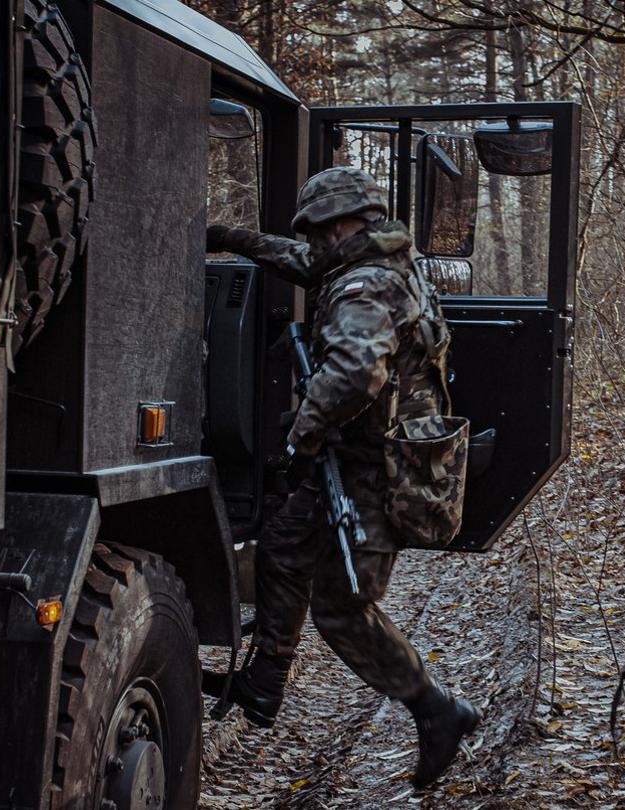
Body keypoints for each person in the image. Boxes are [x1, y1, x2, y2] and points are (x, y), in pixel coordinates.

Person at [204, 167, 479, 789]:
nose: (317, 243)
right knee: (283, 545)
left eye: (323, 231)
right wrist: (230, 236)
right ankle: (266, 681)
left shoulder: (361, 285)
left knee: (343, 605)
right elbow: (300, 257)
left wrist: (302, 434)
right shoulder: (383, 260)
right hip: (359, 457)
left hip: (374, 472)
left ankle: (437, 709)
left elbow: (356, 372)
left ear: (345, 225)